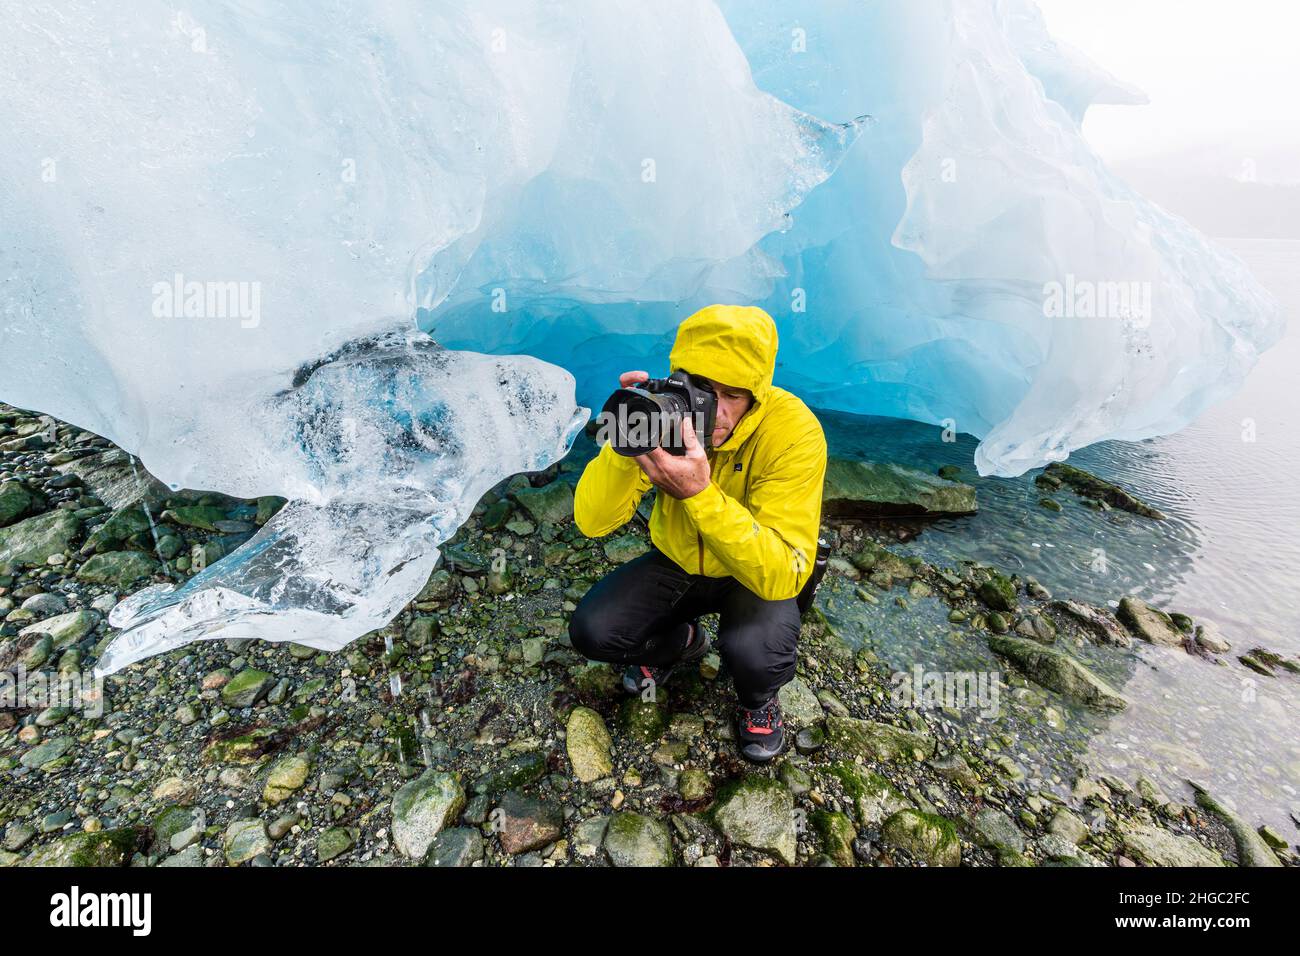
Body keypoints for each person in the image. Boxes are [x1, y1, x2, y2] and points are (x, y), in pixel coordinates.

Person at [568, 303, 827, 762]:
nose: (717, 411)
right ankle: (684, 643)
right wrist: (627, 443)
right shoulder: (669, 416)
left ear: (758, 395)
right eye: (703, 389)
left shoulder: (794, 432)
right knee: (594, 632)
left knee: (755, 653)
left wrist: (699, 494)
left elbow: (783, 576)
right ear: (680, 381)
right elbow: (592, 522)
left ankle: (757, 701)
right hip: (679, 561)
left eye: (734, 395)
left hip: (753, 572)